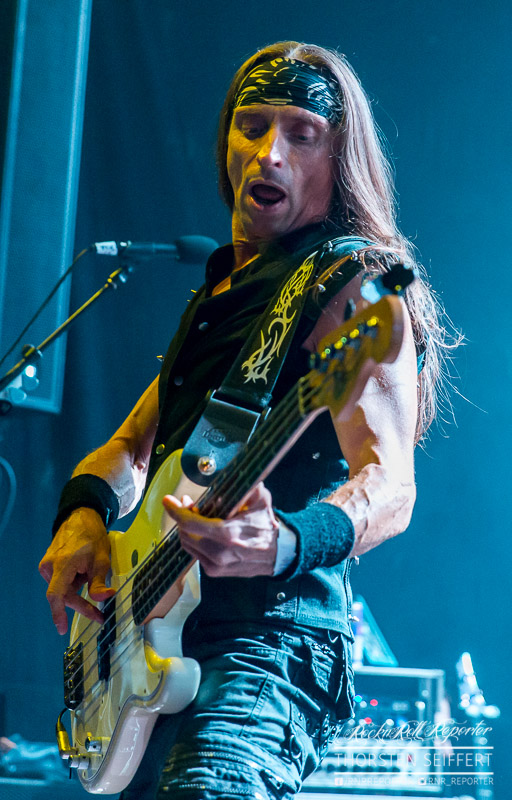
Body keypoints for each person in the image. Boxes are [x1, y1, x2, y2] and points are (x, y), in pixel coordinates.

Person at [39, 41, 455, 799]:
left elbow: (392, 484)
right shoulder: (219, 296)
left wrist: (287, 540)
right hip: (153, 646)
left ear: (340, 159)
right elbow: (128, 448)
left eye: (302, 133)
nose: (270, 154)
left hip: (268, 641)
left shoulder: (352, 286)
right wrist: (83, 516)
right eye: (252, 126)